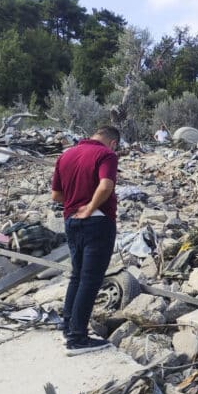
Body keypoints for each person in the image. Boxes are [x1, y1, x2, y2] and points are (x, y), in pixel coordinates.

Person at [51, 126, 120, 355]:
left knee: (76, 275)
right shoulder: (106, 155)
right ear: (112, 143)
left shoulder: (66, 155)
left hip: (71, 221)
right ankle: (77, 338)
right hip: (97, 222)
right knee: (90, 280)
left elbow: (56, 195)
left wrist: (77, 204)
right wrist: (90, 207)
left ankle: (68, 327)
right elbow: (106, 185)